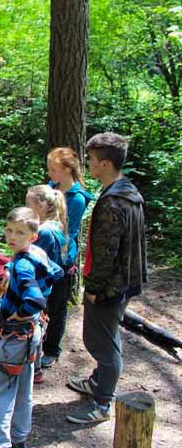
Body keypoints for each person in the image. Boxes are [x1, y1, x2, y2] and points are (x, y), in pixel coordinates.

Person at [66, 133, 147, 424]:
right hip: (124, 282)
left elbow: (106, 252)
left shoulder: (115, 201)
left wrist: (95, 288)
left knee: (102, 343)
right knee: (106, 337)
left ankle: (102, 403)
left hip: (111, 287)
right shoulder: (127, 191)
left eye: (90, 159)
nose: (87, 164)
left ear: (105, 162)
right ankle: (98, 382)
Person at [0, 207, 62, 448]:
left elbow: (35, 298)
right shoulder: (37, 255)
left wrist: (17, 314)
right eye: (9, 230)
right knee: (23, 389)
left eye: (20, 233)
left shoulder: (25, 264)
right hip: (32, 333)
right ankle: (18, 441)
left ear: (33, 236)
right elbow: (55, 274)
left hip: (17, 336)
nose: (12, 237)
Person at [43, 148, 93, 368]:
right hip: (42, 250)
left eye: (53, 169)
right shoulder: (51, 187)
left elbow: (67, 231)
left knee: (57, 306)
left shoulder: (77, 198)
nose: (49, 173)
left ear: (66, 170)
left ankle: (52, 349)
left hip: (60, 258)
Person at [25, 185, 69, 383]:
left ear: (41, 205)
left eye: (29, 204)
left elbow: (33, 260)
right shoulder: (57, 224)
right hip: (55, 281)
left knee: (35, 322)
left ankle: (32, 365)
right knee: (43, 319)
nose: (26, 208)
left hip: (42, 284)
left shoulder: (44, 231)